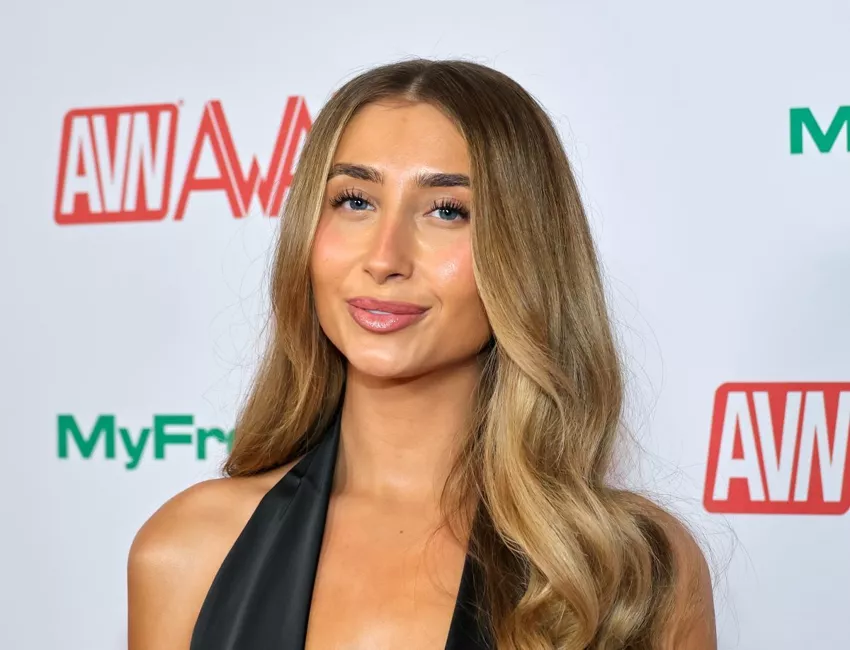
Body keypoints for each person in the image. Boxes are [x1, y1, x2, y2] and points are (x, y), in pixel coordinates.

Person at [127, 58, 716, 650]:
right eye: (355, 201)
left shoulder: (633, 573)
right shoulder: (187, 551)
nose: (385, 258)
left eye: (447, 210)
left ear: (526, 252)